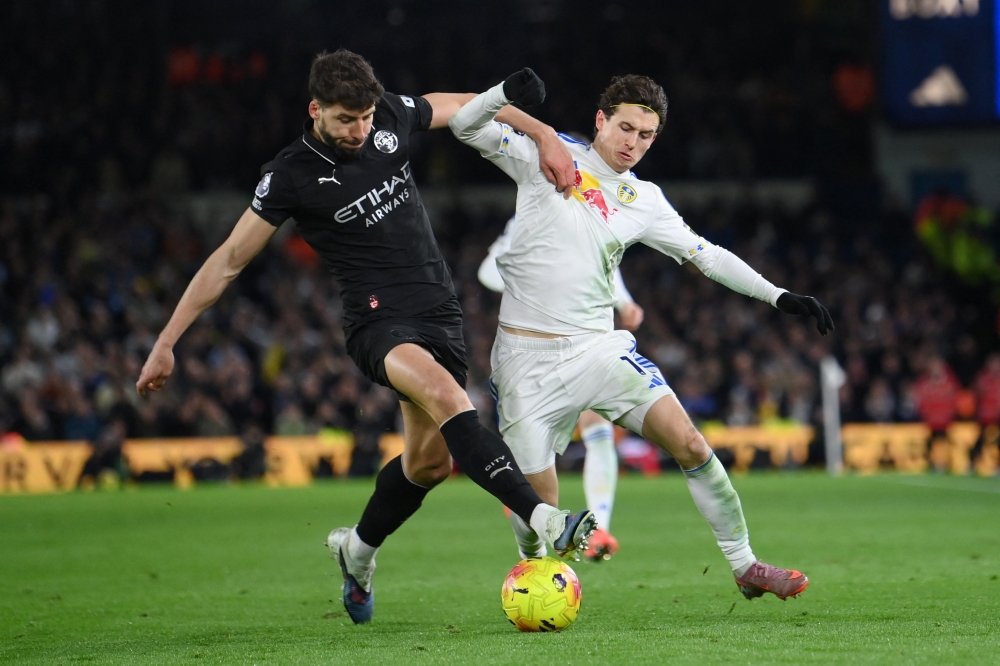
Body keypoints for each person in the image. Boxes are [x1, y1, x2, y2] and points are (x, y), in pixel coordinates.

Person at [135, 50, 597, 625]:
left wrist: (545, 134)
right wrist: (166, 341)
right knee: (457, 401)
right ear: (316, 111)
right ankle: (545, 519)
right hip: (378, 324)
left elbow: (464, 108)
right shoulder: (290, 176)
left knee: (427, 465)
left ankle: (357, 551)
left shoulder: (387, 120)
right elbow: (228, 260)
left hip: (439, 313)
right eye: (345, 120)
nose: (360, 130)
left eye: (366, 118)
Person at [450, 69, 834, 600]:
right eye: (626, 128)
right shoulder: (550, 154)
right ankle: (534, 577)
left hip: (599, 350)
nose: (634, 143)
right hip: (525, 363)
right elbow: (467, 123)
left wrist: (778, 296)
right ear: (601, 121)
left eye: (646, 135)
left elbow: (706, 254)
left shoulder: (643, 199)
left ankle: (745, 565)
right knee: (535, 509)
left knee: (690, 442)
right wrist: (527, 121)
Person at [478, 215, 644, 561]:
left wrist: (623, 302)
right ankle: (525, 505)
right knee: (536, 447)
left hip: (584, 339)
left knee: (597, 425)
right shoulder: (529, 216)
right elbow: (489, 271)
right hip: (534, 349)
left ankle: (600, 528)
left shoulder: (589, 211)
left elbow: (605, 260)